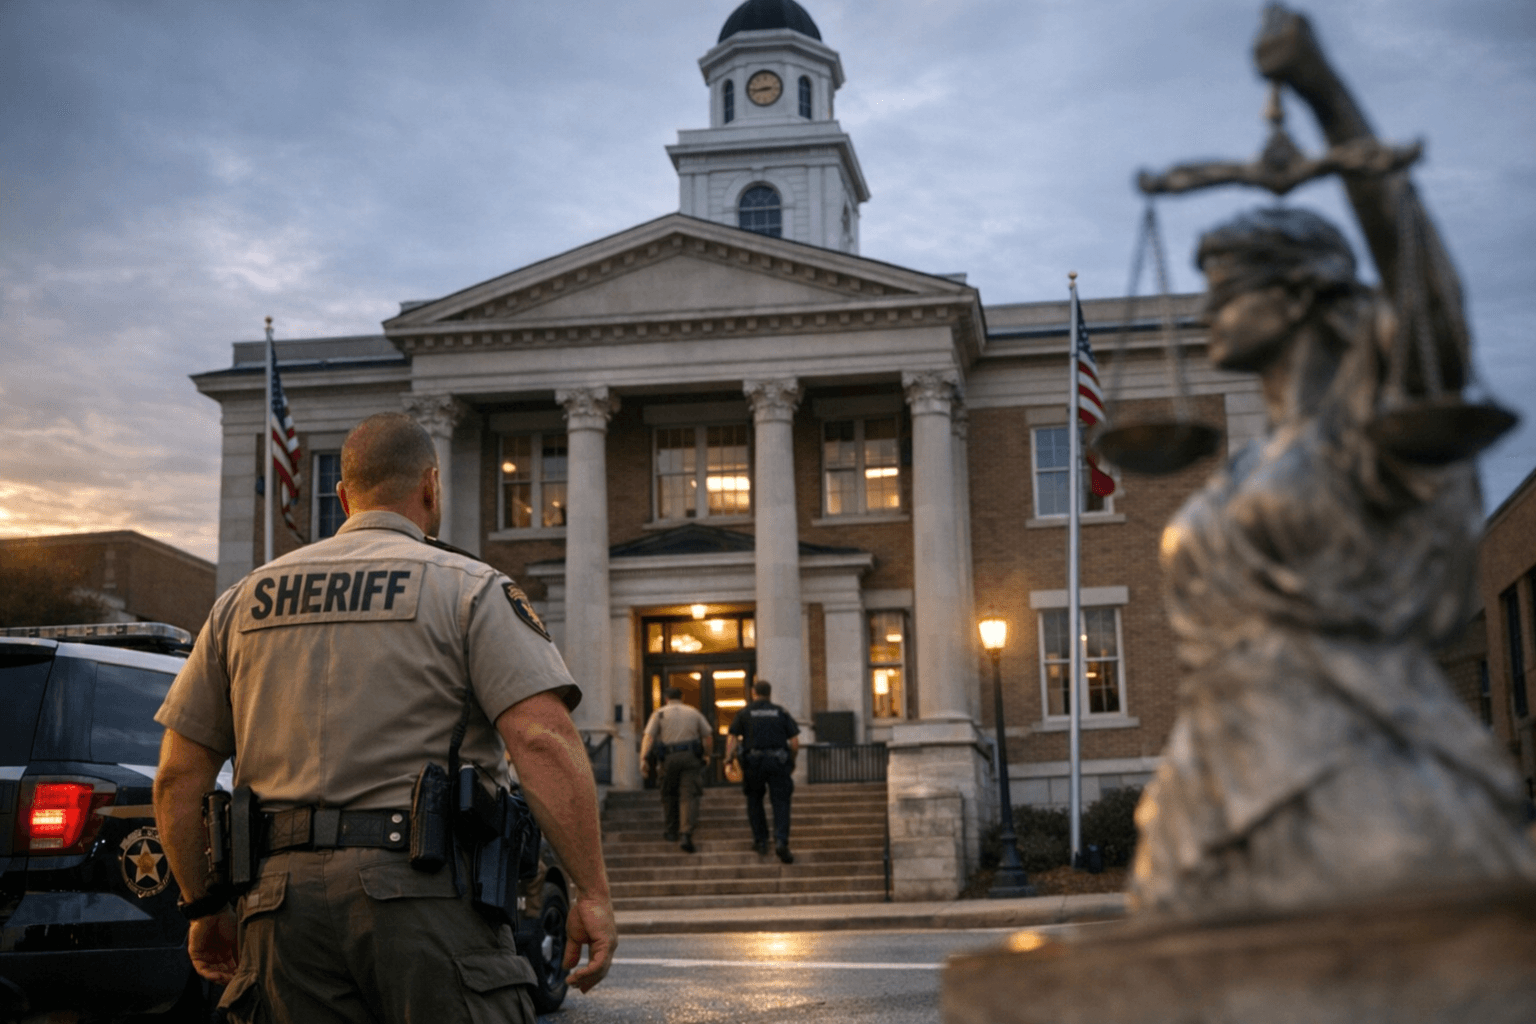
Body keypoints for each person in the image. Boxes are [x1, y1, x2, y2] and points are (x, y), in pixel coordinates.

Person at [1128, 7, 1536, 920]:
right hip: (1218, 771)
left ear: (1301, 292)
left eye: (1225, 291)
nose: (1205, 315)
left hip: (1356, 761)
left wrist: (1322, 90)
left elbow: (1419, 279)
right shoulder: (1243, 470)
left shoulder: (1375, 427)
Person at [151, 411, 616, 1022]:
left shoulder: (243, 601)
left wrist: (203, 906)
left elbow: (178, 777)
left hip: (278, 910)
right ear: (430, 486)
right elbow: (541, 741)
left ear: (343, 497)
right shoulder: (469, 589)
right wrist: (593, 893)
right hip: (428, 901)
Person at [725, 680, 799, 864]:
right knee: (781, 803)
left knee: (754, 801)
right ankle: (781, 841)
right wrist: (792, 761)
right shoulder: (781, 712)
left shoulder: (745, 713)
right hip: (778, 762)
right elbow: (795, 741)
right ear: (770, 693)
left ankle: (761, 841)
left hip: (753, 763)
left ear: (753, 692)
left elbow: (732, 737)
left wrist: (728, 759)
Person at [639, 687, 713, 853]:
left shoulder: (659, 714)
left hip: (669, 758)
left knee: (668, 793)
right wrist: (707, 755)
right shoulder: (694, 712)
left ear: (666, 698)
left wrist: (643, 758)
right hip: (690, 757)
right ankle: (686, 833)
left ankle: (671, 831)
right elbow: (707, 736)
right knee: (689, 795)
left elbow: (649, 737)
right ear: (682, 697)